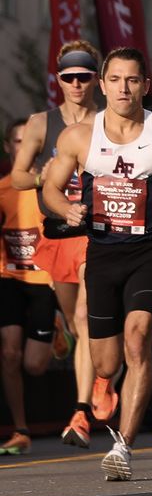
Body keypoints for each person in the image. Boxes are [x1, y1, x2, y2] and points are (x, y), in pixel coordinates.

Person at [39, 48, 152, 481]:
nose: (124, 88)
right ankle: (104, 381)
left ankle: (123, 447)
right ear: (103, 86)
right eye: (116, 79)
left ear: (145, 85)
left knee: (138, 341)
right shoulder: (80, 137)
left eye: (133, 80)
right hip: (102, 255)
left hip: (148, 253)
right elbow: (50, 189)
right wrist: (66, 210)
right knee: (105, 363)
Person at [11, 43, 102, 448]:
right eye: (70, 77)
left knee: (85, 316)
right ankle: (74, 336)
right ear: (59, 80)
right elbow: (17, 176)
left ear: (96, 79)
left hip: (98, 234)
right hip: (58, 232)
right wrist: (42, 178)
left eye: (84, 76)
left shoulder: (110, 122)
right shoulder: (39, 123)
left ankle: (81, 412)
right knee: (79, 324)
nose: (77, 84)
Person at [2, 118, 56, 454]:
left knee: (34, 365)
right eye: (17, 141)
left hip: (43, 280)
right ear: (8, 147)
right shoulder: (2, 189)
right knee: (9, 352)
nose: (24, 147)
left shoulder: (48, 187)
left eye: (28, 141)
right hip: (8, 278)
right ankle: (20, 429)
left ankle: (59, 327)